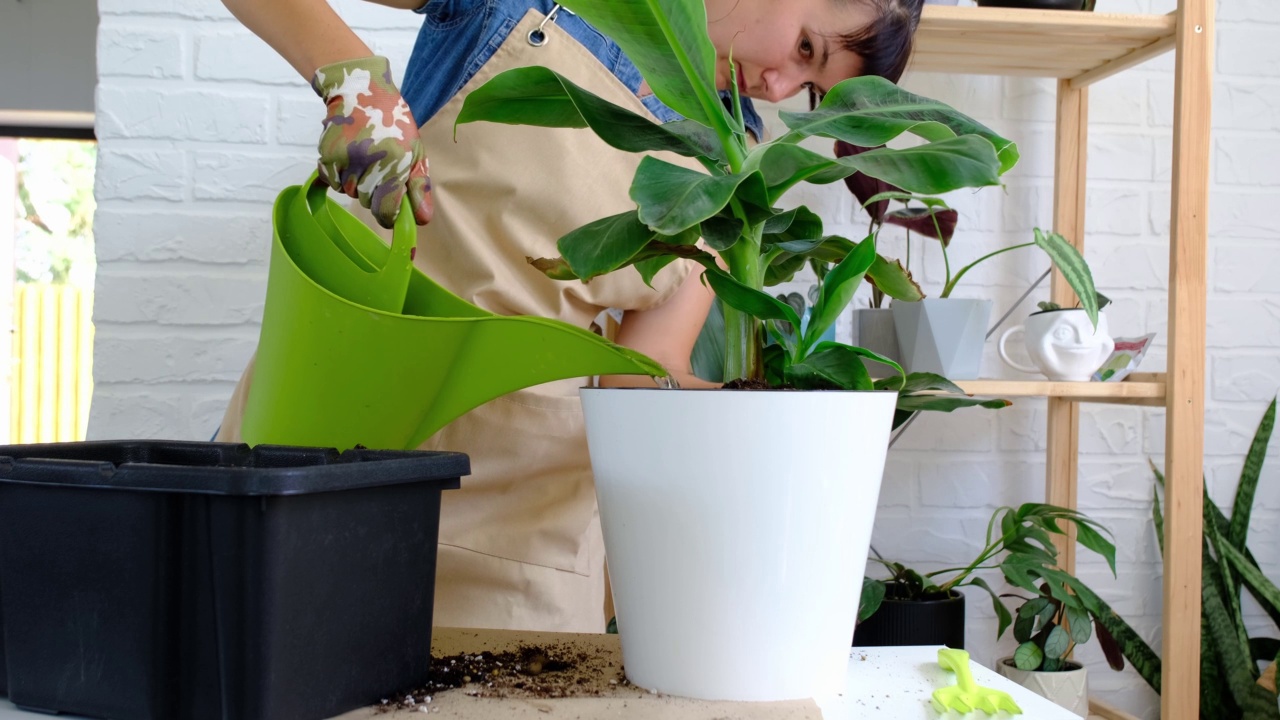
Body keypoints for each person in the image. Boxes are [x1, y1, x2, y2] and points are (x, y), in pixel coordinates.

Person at [216, 0, 924, 633]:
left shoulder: (723, 160)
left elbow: (641, 380)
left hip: (523, 533)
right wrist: (354, 81)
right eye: (806, 50)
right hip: (322, 452)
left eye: (809, 88)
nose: (779, 89)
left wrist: (775, 418)